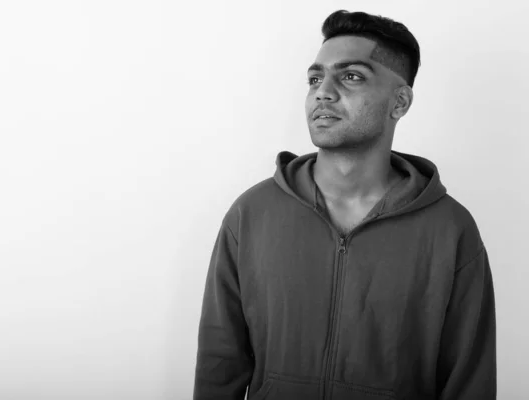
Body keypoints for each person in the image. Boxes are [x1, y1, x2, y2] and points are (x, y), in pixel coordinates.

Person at [193, 9, 496, 400]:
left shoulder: (450, 228)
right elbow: (221, 363)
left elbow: (469, 380)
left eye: (351, 76)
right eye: (315, 78)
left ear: (400, 102)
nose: (323, 91)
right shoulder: (253, 213)